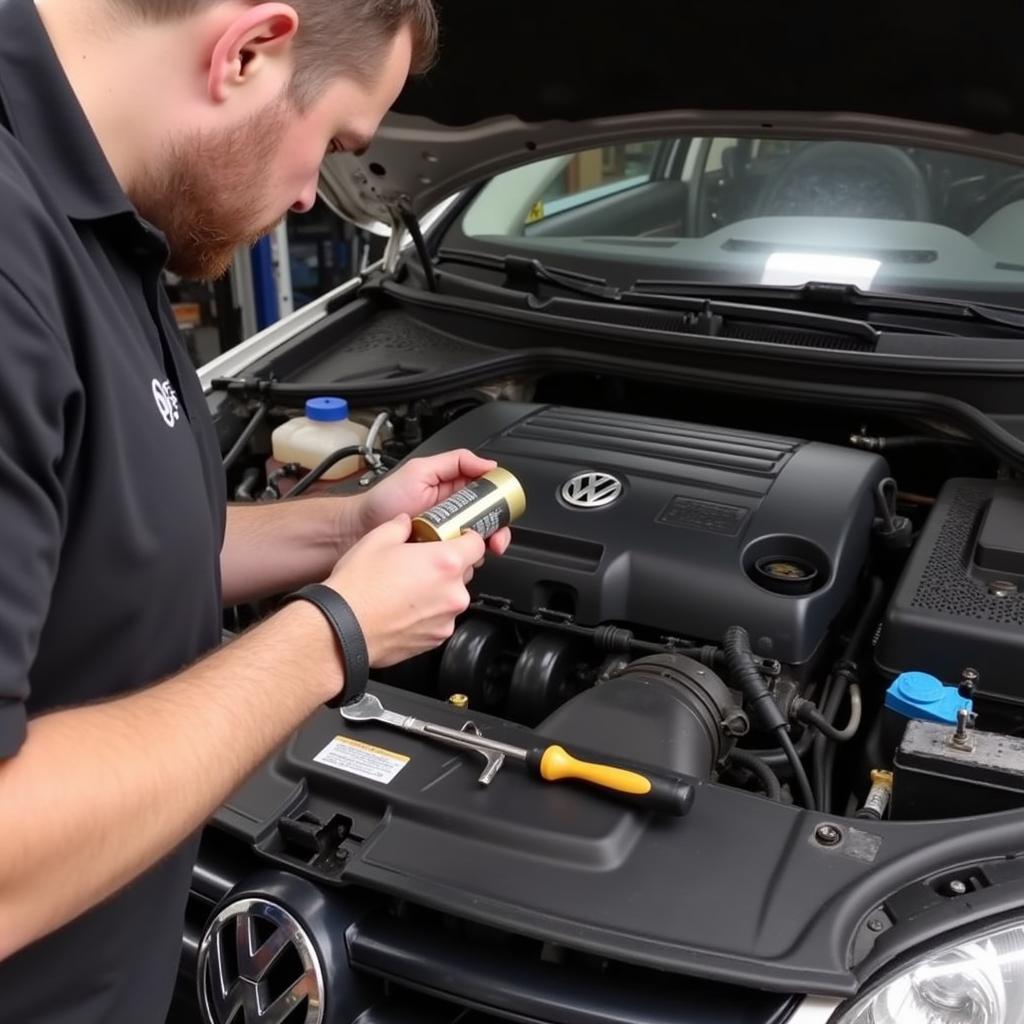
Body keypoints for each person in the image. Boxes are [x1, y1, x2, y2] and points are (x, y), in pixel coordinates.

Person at [0, 0, 510, 1020]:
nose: (316, 199)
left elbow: (106, 541)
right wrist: (338, 633)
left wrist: (347, 526)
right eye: (333, 145)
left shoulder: (110, 208)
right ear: (246, 51)